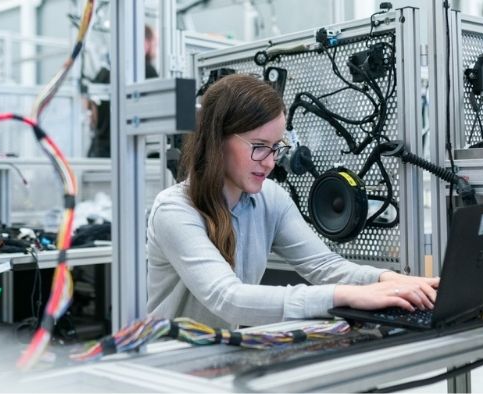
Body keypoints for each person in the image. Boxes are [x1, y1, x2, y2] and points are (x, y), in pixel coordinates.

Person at [146, 74, 439, 329]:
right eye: (259, 147)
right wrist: (344, 296)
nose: (271, 162)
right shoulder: (175, 210)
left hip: (220, 355)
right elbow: (228, 298)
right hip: (171, 365)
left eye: (276, 148)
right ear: (217, 140)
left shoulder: (269, 198)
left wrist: (391, 281)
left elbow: (324, 266)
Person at [87, 25, 159, 157]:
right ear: (145, 42)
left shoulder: (103, 72)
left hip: (99, 151)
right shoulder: (146, 70)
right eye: (154, 42)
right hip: (129, 151)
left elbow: (92, 114)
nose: (155, 48)